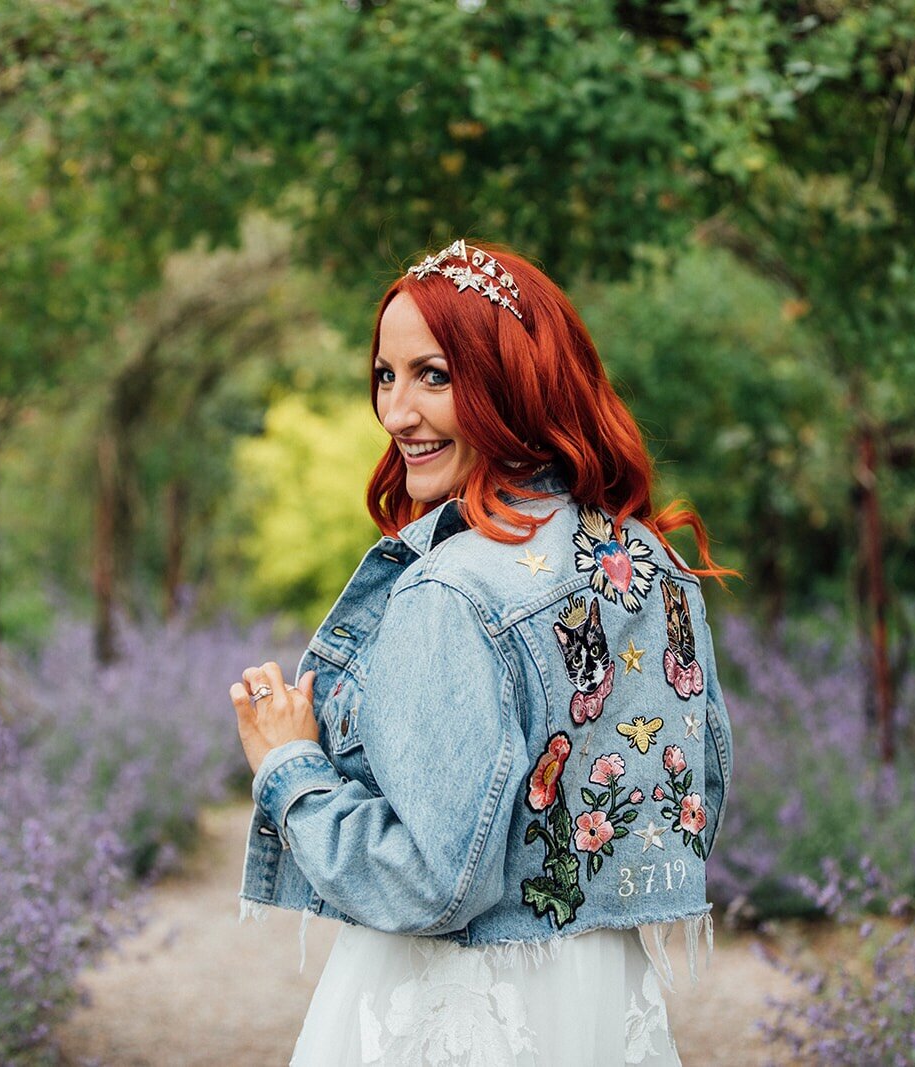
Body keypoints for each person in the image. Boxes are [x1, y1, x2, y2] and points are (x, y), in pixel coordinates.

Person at [229, 239, 736, 1066]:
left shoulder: (450, 591)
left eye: (433, 375)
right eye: (385, 376)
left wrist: (291, 768)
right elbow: (694, 806)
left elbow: (428, 881)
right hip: (603, 997)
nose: (396, 413)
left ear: (515, 380)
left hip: (458, 1007)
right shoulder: (652, 564)